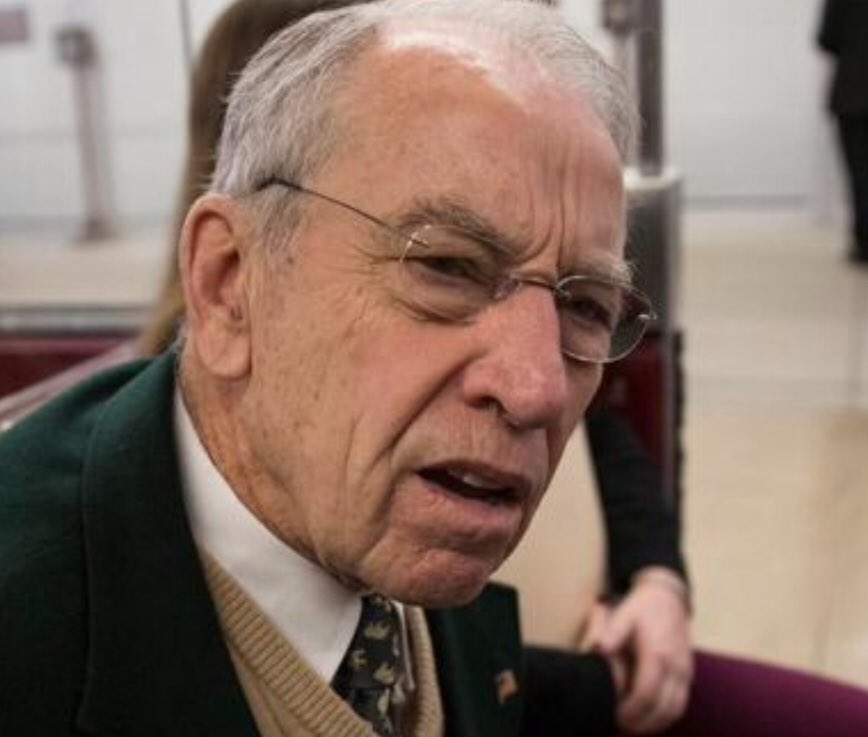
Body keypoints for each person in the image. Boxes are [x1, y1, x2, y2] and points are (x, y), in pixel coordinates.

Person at [1, 1, 681, 734]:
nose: (537, 388)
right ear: (229, 282)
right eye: (447, 267)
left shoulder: (380, 505)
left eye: (586, 307)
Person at [817, 0, 868, 265]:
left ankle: (864, 240)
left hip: (852, 92)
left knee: (859, 173)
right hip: (851, 94)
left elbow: (826, 38)